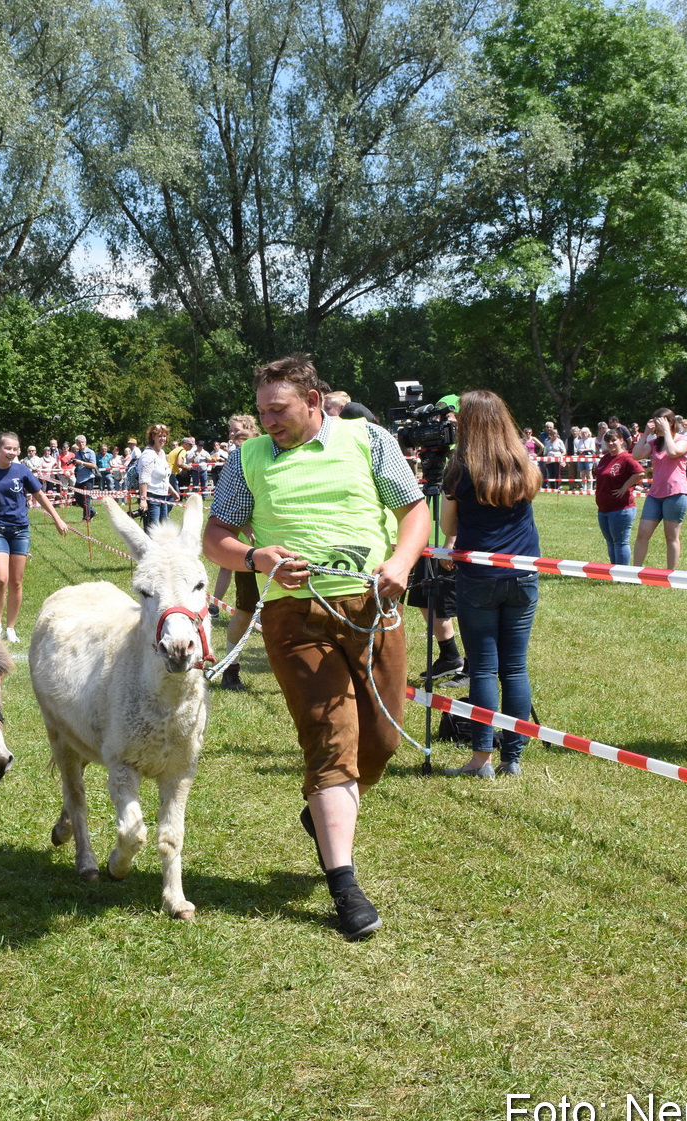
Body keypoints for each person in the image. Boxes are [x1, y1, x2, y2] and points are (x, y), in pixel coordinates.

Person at [203, 355, 428, 941]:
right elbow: (216, 537)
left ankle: (324, 814)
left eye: (277, 410)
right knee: (331, 741)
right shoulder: (247, 459)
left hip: (372, 609)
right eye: (261, 412)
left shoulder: (368, 440)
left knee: (379, 744)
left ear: (312, 399)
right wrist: (258, 559)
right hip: (293, 618)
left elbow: (414, 511)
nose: (267, 422)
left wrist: (401, 563)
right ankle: (345, 886)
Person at [438, 391, 542, 779]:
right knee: (515, 668)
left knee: (483, 668)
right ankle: (512, 758)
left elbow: (448, 528)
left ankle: (481, 760)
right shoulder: (522, 463)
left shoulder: (460, 470)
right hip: (523, 575)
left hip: (479, 578)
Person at [0, 432, 69, 642]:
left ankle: (11, 628)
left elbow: (39, 495)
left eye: (15, 449)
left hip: (20, 530)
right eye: (7, 448)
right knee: (1, 578)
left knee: (16, 582)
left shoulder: (22, 470)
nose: (11, 452)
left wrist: (57, 519)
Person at [207, 415, 262, 690]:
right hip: (253, 554)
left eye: (237, 432)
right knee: (244, 613)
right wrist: (247, 527)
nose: (232, 436)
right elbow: (235, 504)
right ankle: (230, 669)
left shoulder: (269, 452)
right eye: (231, 432)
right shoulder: (239, 458)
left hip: (288, 552)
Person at [630, 407, 687, 569]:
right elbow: (636, 455)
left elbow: (673, 452)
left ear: (670, 423)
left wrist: (667, 431)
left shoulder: (683, 440)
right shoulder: (654, 443)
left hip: (676, 494)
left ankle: (670, 574)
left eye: (660, 422)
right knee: (642, 534)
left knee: (671, 536)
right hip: (655, 495)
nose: (657, 426)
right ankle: (635, 571)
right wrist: (645, 433)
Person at [593, 429, 643, 564]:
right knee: (611, 542)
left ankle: (623, 575)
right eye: (608, 441)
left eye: (613, 440)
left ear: (621, 441)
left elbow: (639, 473)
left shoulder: (627, 458)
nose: (611, 443)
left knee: (620, 542)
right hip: (603, 509)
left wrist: (625, 487)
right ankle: (614, 571)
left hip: (621, 508)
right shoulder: (605, 458)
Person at [139, 424, 176, 526]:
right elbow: (143, 479)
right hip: (151, 498)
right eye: (159, 436)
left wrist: (172, 491)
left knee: (162, 529)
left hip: (163, 497)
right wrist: (143, 500)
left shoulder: (162, 453)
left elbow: (163, 477)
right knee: (153, 531)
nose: (162, 439)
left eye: (164, 436)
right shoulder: (148, 455)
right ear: (153, 437)